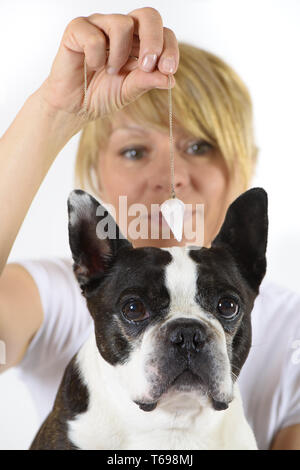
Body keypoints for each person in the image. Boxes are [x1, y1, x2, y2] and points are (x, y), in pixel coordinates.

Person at [0, 7, 299, 450]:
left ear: (243, 165)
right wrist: (52, 112)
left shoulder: (291, 331)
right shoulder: (57, 295)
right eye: (135, 151)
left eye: (199, 146)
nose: (169, 176)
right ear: (94, 173)